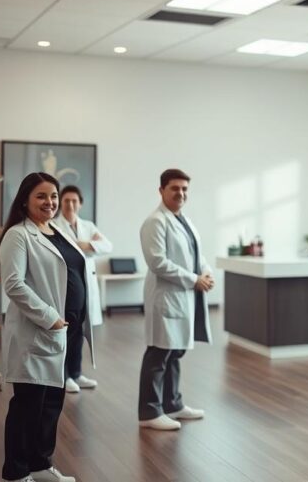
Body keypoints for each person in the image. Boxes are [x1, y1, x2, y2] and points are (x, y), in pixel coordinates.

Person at [0, 172, 82, 482]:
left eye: (54, 196)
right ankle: (16, 472)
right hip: (40, 330)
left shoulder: (56, 230)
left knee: (51, 406)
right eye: (42, 196)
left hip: (64, 332)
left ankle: (41, 465)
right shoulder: (19, 235)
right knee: (28, 406)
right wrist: (50, 317)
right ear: (25, 200)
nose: (50, 202)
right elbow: (14, 284)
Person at [137, 168, 214, 431]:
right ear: (161, 190)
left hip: (183, 295)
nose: (180, 193)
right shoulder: (155, 221)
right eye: (175, 188)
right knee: (159, 352)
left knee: (174, 352)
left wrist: (205, 272)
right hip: (166, 296)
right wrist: (194, 279)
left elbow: (196, 254)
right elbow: (158, 263)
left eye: (184, 189)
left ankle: (172, 404)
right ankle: (149, 412)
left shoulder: (184, 220)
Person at [56, 184, 112, 393]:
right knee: (67, 333)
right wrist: (88, 245)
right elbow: (60, 251)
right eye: (66, 201)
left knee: (80, 332)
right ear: (60, 203)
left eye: (74, 201)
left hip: (85, 287)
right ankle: (65, 375)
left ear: (80, 204)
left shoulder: (88, 225)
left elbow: (108, 246)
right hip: (67, 287)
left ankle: (77, 373)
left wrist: (80, 243)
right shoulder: (54, 226)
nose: (70, 204)